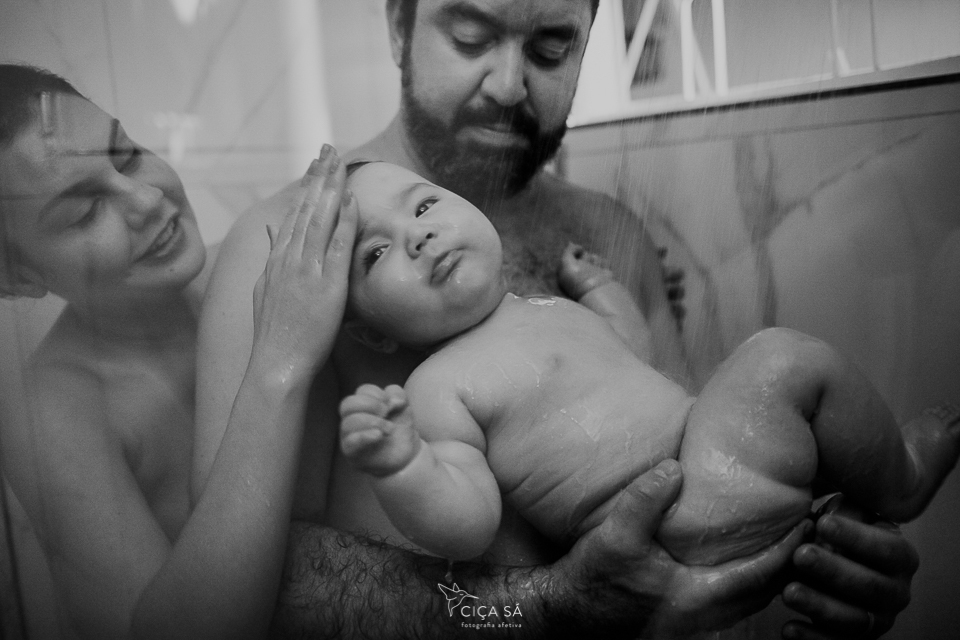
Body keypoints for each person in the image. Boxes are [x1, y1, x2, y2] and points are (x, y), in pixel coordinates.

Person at [195, 1, 922, 638]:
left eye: (551, 47)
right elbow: (256, 590)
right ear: (398, 26)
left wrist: (824, 543)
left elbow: (698, 455)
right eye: (472, 37)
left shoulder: (604, 232)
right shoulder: (293, 259)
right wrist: (543, 609)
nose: (509, 85)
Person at [337, 159, 960, 569]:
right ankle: (899, 481)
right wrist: (405, 467)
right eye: (376, 252)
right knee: (779, 358)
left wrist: (600, 288)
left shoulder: (547, 306)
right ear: (372, 333)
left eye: (424, 207)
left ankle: (864, 488)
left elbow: (632, 352)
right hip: (670, 516)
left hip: (709, 469)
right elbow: (470, 523)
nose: (418, 235)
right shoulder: (435, 387)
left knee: (788, 374)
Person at [0, 65, 357, 639]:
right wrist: (278, 362)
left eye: (128, 156)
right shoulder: (56, 411)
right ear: (16, 276)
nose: (145, 199)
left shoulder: (255, 268)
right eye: (84, 212)